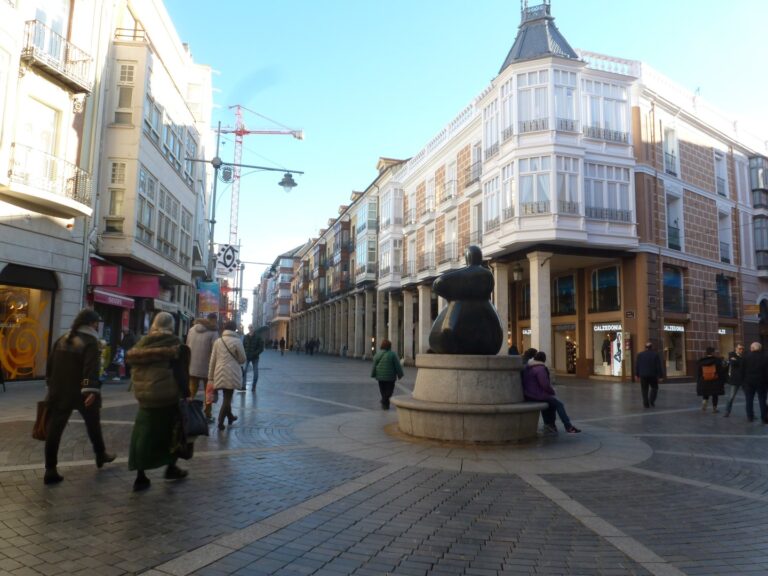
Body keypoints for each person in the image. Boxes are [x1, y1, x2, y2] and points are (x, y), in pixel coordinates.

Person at [43, 308, 116, 485]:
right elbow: (90, 369)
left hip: (59, 390)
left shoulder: (63, 338)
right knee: (93, 424)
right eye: (96, 323)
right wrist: (90, 389)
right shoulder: (90, 341)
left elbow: (50, 364)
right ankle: (100, 454)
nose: (97, 326)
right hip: (82, 392)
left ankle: (50, 469)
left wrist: (51, 384)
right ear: (91, 323)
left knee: (54, 429)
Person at [126, 312, 190, 492]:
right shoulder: (174, 344)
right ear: (171, 325)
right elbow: (180, 373)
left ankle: (140, 475)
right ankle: (171, 467)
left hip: (144, 397)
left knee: (143, 434)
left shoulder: (142, 343)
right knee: (173, 433)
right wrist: (186, 393)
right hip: (167, 396)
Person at [521, 351, 581, 434]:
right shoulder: (540, 369)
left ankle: (549, 425)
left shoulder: (528, 367)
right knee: (559, 404)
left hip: (529, 394)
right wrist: (552, 391)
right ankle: (568, 426)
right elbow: (545, 385)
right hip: (537, 395)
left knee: (550, 403)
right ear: (544, 360)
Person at [209, 320, 247, 431]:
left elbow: (213, 360)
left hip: (219, 371)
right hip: (231, 373)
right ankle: (220, 421)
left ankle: (230, 417)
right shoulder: (237, 341)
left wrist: (210, 377)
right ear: (234, 329)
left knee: (227, 396)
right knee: (227, 397)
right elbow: (243, 359)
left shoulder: (218, 341)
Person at [186, 313, 218, 420]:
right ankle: (207, 414)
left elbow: (187, 346)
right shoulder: (213, 332)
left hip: (192, 366)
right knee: (209, 392)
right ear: (213, 320)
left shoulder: (192, 330)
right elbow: (215, 351)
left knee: (191, 391)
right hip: (208, 368)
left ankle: (187, 412)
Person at [371, 339, 404, 409]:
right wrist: (400, 374)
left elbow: (374, 365)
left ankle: (385, 404)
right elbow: (397, 366)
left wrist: (373, 374)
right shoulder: (393, 355)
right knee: (389, 392)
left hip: (380, 377)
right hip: (390, 377)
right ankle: (384, 402)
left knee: (383, 391)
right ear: (389, 346)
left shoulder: (378, 354)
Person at [739, 342, 768, 422]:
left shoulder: (745, 357)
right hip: (761, 381)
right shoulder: (765, 357)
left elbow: (741, 370)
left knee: (749, 399)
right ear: (760, 348)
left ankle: (750, 416)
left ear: (752, 348)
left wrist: (743, 382)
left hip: (748, 381)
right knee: (762, 400)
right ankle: (764, 417)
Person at [635, 341, 664, 408]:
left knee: (644, 389)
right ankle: (651, 400)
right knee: (654, 388)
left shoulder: (640, 355)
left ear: (645, 347)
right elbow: (658, 366)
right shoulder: (655, 354)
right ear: (651, 347)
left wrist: (637, 374)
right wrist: (660, 376)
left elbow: (637, 365)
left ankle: (646, 403)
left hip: (643, 375)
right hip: (652, 375)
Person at [697, 346, 726, 413]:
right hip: (715, 380)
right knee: (715, 395)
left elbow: (699, 372)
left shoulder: (701, 361)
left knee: (705, 393)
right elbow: (721, 371)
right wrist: (722, 380)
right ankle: (714, 409)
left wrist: (699, 380)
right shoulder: (717, 360)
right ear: (712, 352)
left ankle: (704, 402)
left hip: (704, 380)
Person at [723, 344, 745, 417]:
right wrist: (740, 361)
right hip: (735, 379)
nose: (741, 350)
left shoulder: (744, 355)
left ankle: (751, 413)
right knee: (731, 397)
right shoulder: (732, 354)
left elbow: (743, 364)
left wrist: (738, 361)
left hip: (744, 379)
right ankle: (727, 411)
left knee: (748, 397)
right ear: (736, 348)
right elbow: (733, 363)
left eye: (742, 349)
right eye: (739, 348)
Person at [242, 324, 265, 392]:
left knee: (255, 372)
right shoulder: (246, 336)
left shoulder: (258, 337)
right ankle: (243, 386)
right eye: (249, 327)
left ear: (253, 328)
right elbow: (243, 346)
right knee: (244, 370)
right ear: (248, 328)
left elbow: (261, 348)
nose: (250, 328)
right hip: (247, 356)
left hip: (255, 357)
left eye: (251, 327)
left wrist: (255, 353)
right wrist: (244, 353)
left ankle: (254, 386)